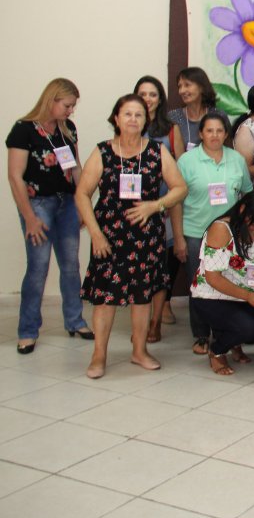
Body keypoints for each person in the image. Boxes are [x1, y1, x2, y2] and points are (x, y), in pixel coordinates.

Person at [77, 94, 187, 378]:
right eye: (127, 114)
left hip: (146, 236)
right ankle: (99, 355)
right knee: (105, 298)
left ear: (146, 120)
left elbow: (179, 188)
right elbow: (82, 193)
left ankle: (139, 351)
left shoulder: (155, 151)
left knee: (142, 297)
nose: (133, 119)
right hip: (108, 237)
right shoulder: (103, 152)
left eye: (139, 115)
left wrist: (155, 205)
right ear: (116, 118)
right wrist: (95, 233)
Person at [6, 78, 91, 354]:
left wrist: (83, 203)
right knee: (38, 268)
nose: (70, 111)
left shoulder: (68, 130)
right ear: (52, 100)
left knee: (70, 264)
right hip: (37, 205)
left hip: (66, 202)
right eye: (67, 105)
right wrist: (29, 217)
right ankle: (28, 330)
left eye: (73, 107)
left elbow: (75, 168)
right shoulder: (23, 130)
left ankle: (75, 320)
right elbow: (15, 177)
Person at [173, 112, 254, 355]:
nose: (215, 135)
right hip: (196, 232)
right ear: (201, 134)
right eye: (209, 130)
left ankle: (227, 333)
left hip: (230, 236)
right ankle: (200, 334)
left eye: (220, 130)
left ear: (226, 133)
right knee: (199, 286)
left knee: (229, 281)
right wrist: (178, 238)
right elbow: (175, 202)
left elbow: (247, 194)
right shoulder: (187, 161)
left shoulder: (236, 159)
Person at [189, 191, 254, 376]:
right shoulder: (221, 229)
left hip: (243, 298)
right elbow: (212, 278)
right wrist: (248, 296)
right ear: (242, 210)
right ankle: (217, 350)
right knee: (247, 327)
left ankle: (233, 341)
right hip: (211, 297)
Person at [136, 75, 182, 334]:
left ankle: (162, 304)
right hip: (136, 203)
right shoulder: (129, 125)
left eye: (153, 94)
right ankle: (141, 307)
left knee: (167, 255)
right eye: (142, 94)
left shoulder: (170, 129)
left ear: (160, 99)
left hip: (165, 202)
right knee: (141, 257)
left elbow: (181, 165)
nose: (147, 99)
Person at [167, 66, 227, 154]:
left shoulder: (218, 115)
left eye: (187, 85)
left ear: (202, 87)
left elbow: (226, 149)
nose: (182, 91)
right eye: (180, 86)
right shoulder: (173, 117)